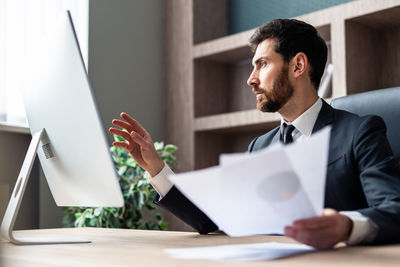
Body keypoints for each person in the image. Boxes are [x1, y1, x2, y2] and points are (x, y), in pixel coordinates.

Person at [109, 19, 400, 249]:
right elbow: (214, 218)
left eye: (262, 64)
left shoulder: (361, 132)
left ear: (298, 65)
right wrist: (157, 169)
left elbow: (394, 209)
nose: (251, 79)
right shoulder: (260, 146)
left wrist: (346, 225)